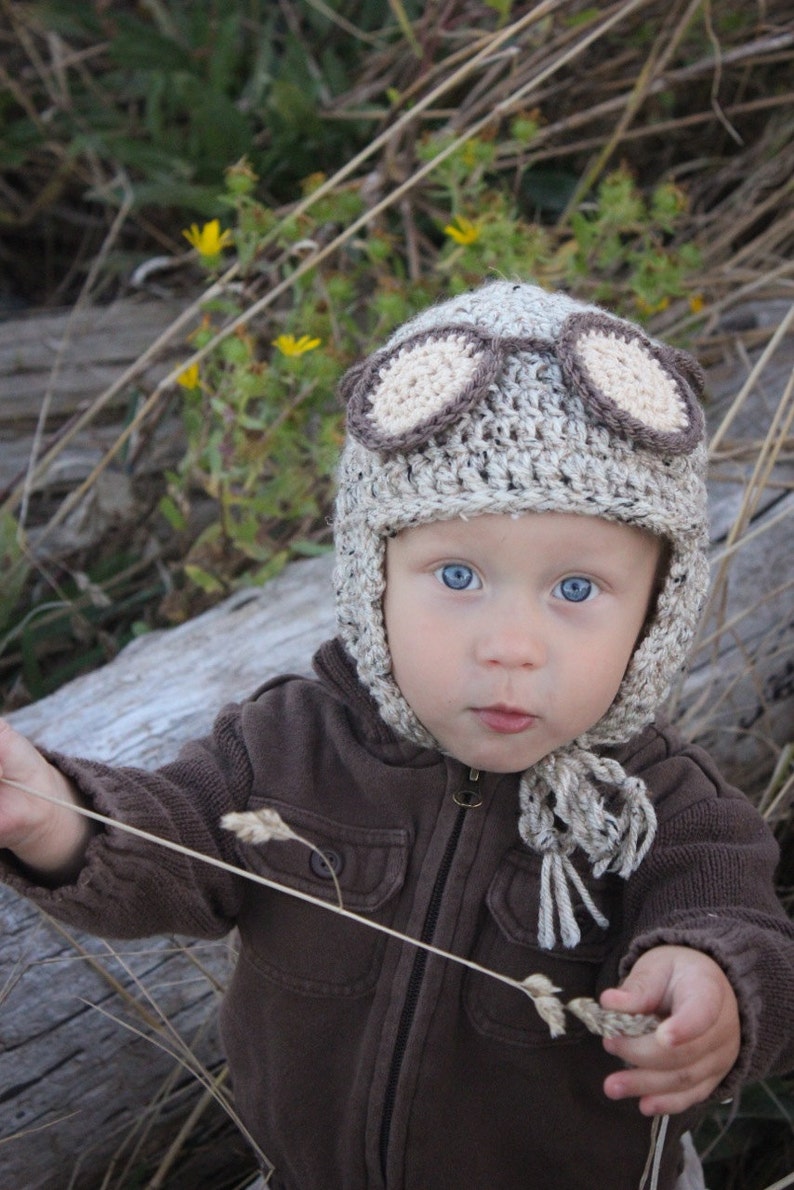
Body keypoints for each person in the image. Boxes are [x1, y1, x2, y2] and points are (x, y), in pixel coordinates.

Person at [1, 281, 792, 1190]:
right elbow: (168, 842)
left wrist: (716, 983)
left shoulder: (666, 810)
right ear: (371, 574)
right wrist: (47, 815)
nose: (511, 647)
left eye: (576, 590)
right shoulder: (289, 745)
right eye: (457, 574)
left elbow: (739, 921)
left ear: (659, 608)